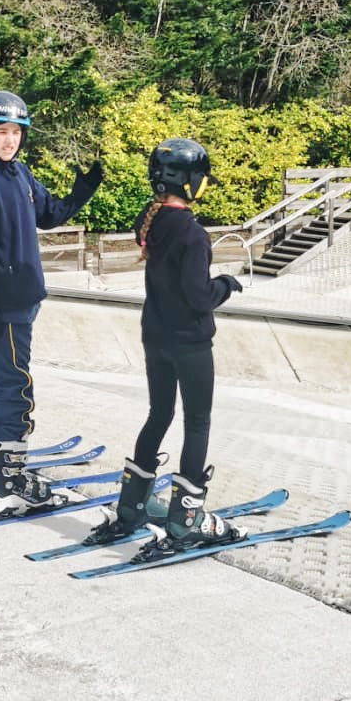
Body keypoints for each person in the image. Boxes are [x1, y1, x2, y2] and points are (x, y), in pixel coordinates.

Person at [91, 137, 243, 551]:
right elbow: (198, 297)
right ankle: (187, 519)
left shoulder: (151, 219)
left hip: (154, 336)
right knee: (197, 422)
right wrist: (226, 284)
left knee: (159, 414)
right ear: (192, 182)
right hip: (189, 342)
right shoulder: (193, 235)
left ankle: (131, 508)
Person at [0, 90, 102, 510]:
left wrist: (82, 192)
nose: (10, 140)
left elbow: (50, 214)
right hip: (2, 305)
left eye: (17, 132)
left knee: (0, 376)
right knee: (15, 385)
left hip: (25, 298)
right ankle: (9, 478)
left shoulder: (19, 174)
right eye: (1, 131)